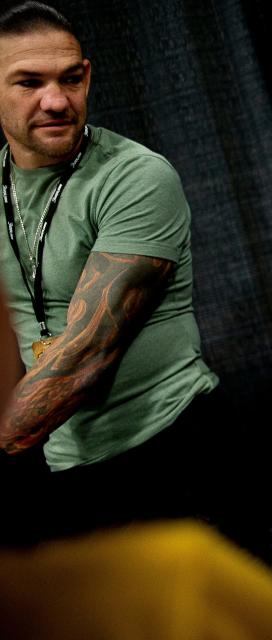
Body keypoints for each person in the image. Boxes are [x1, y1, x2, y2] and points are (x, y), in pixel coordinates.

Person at [0, 2, 226, 544]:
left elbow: (84, 360)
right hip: (64, 470)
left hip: (174, 454)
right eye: (29, 82)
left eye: (70, 79)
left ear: (88, 76)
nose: (56, 100)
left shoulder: (135, 177)